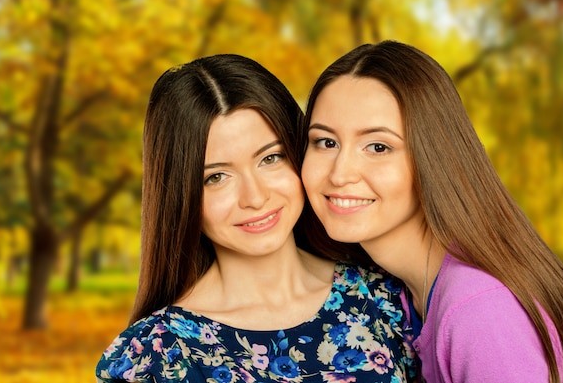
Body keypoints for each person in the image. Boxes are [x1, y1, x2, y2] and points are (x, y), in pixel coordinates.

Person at [95, 53, 420, 383]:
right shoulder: (159, 356)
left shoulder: (384, 298)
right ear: (182, 197)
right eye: (216, 177)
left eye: (271, 158)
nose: (255, 197)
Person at [301, 40, 563, 383]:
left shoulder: (479, 310)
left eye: (378, 147)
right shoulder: (405, 292)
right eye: (326, 142)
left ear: (432, 156)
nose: (340, 173)